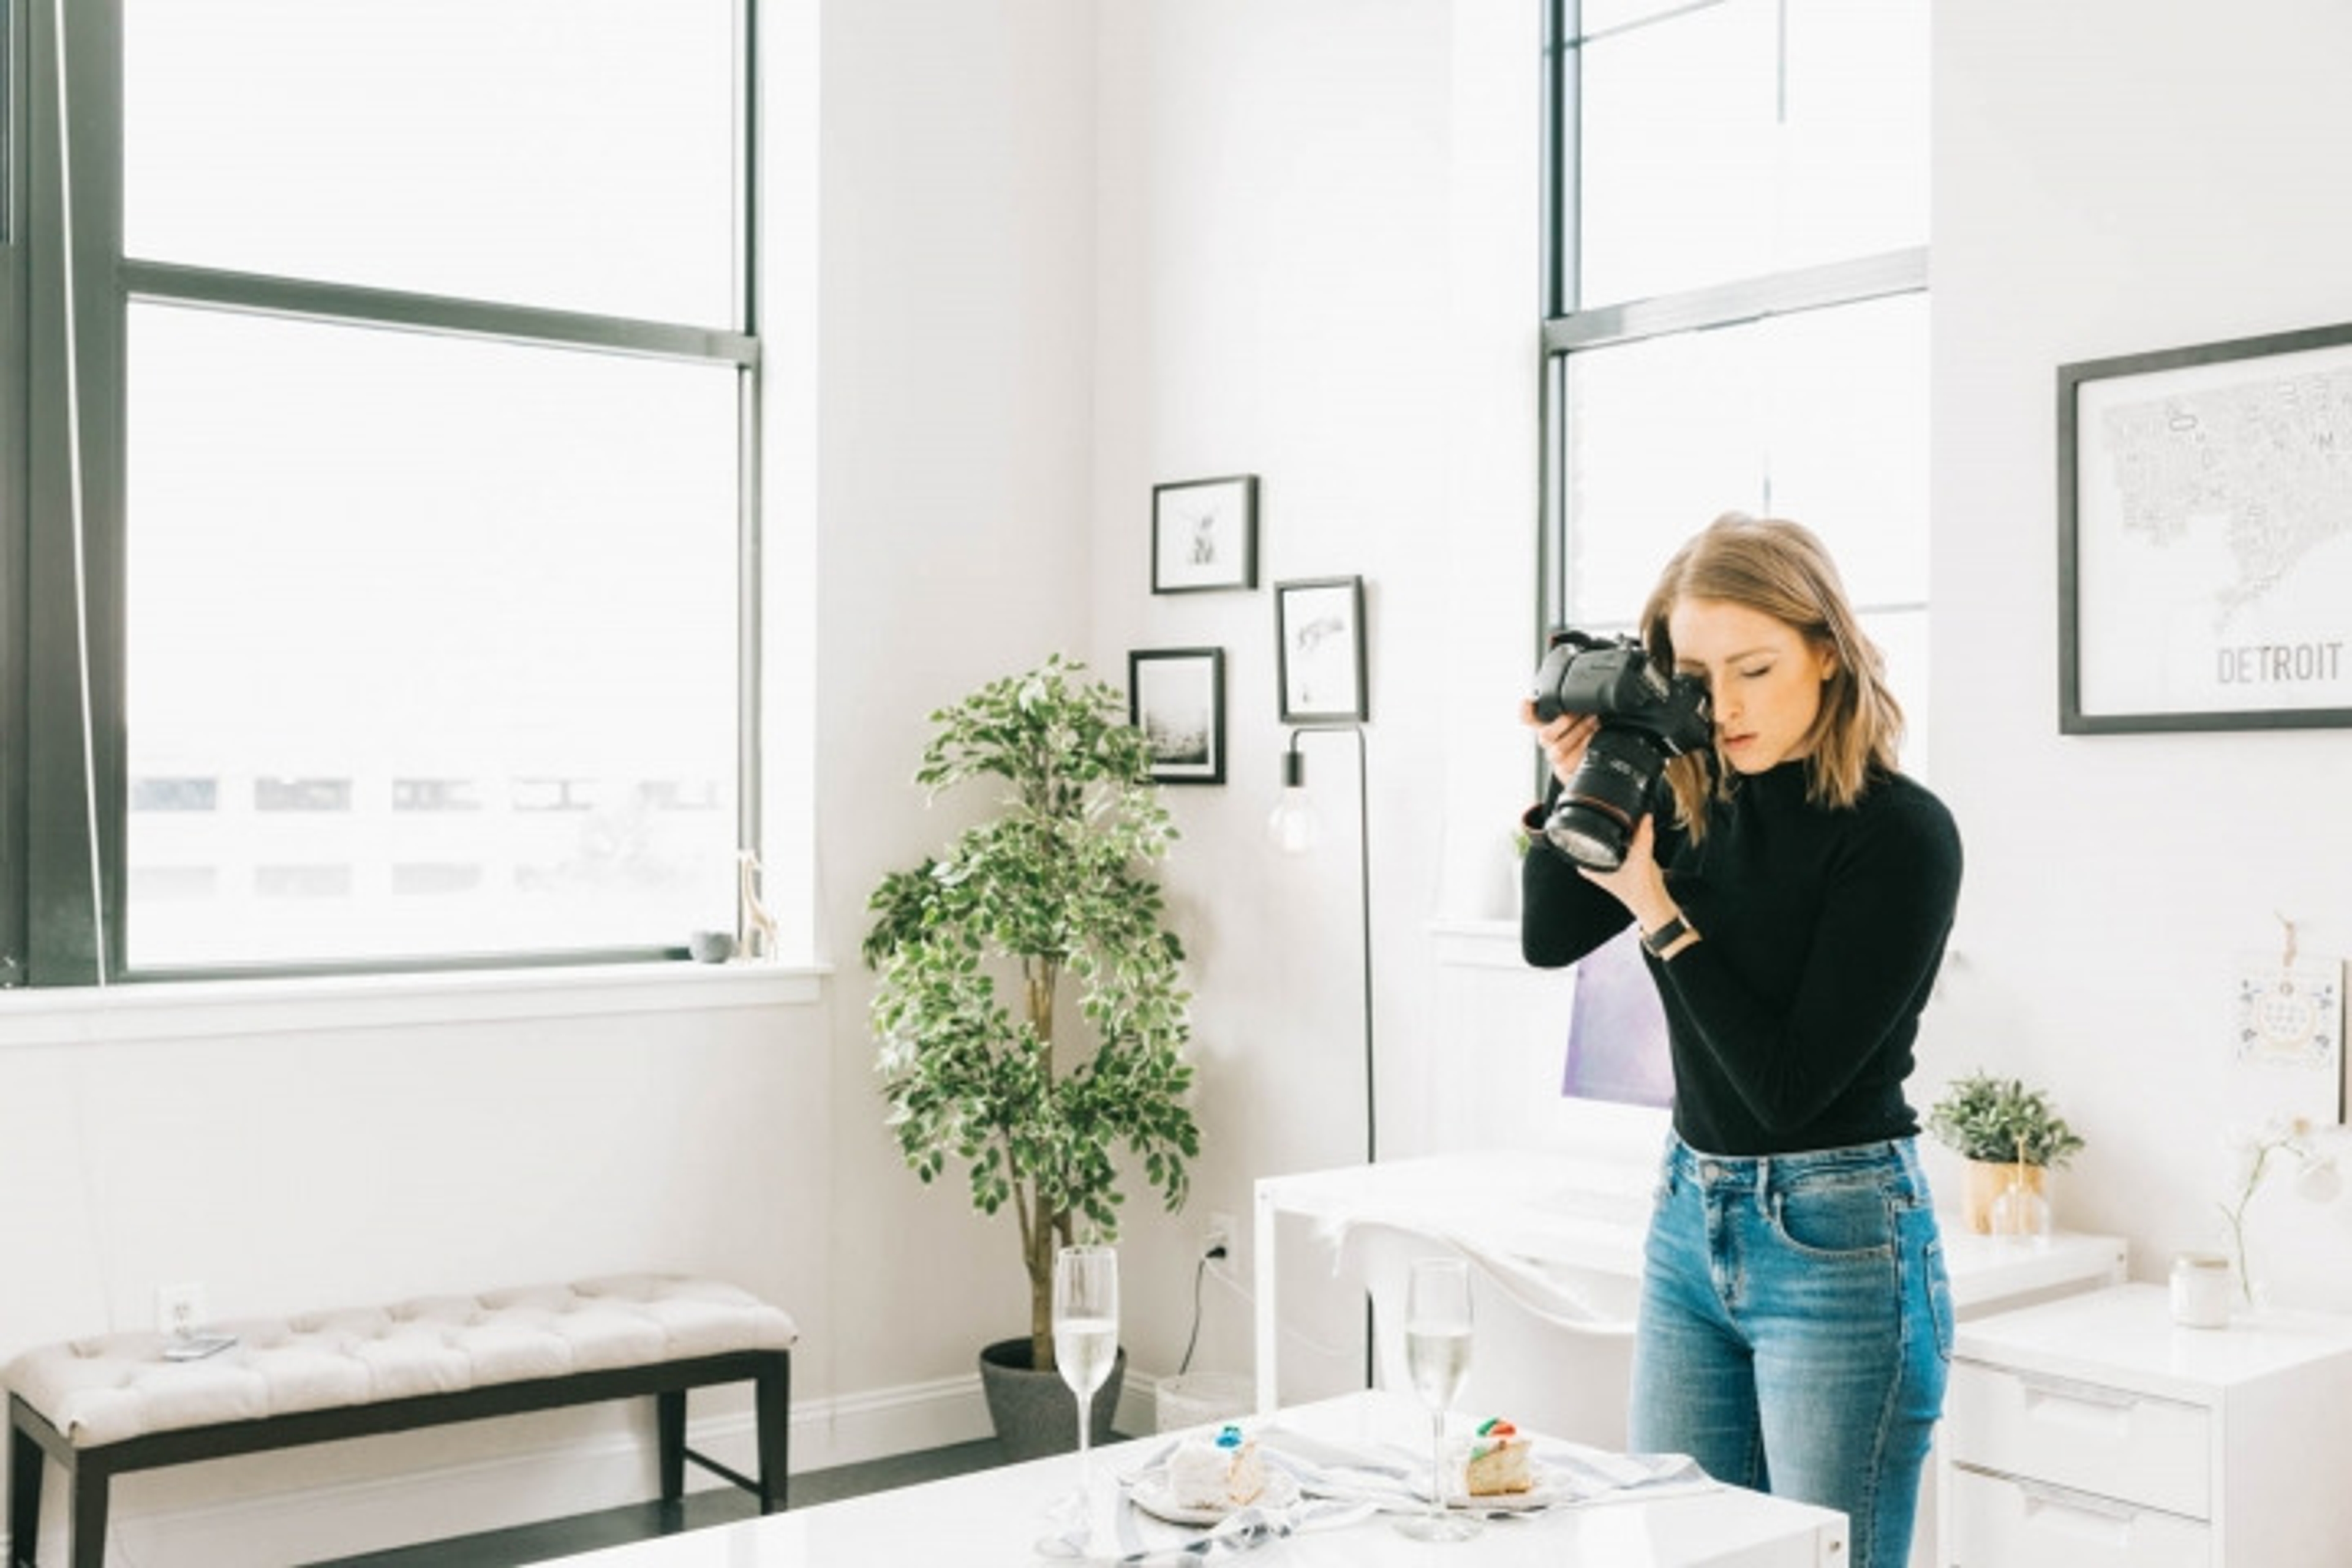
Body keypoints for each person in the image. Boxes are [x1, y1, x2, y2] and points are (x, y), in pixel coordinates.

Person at [1518, 512, 1961, 1568]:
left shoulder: (1900, 834)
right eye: (1695, 675)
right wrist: (1573, 775)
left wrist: (1661, 911)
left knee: (1824, 1560)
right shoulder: (1683, 801)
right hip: (1688, 1219)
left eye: (1756, 668)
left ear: (1826, 652)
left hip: (1842, 1241)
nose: (1722, 707)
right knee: (1684, 1551)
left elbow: (1787, 1089)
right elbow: (1547, 936)